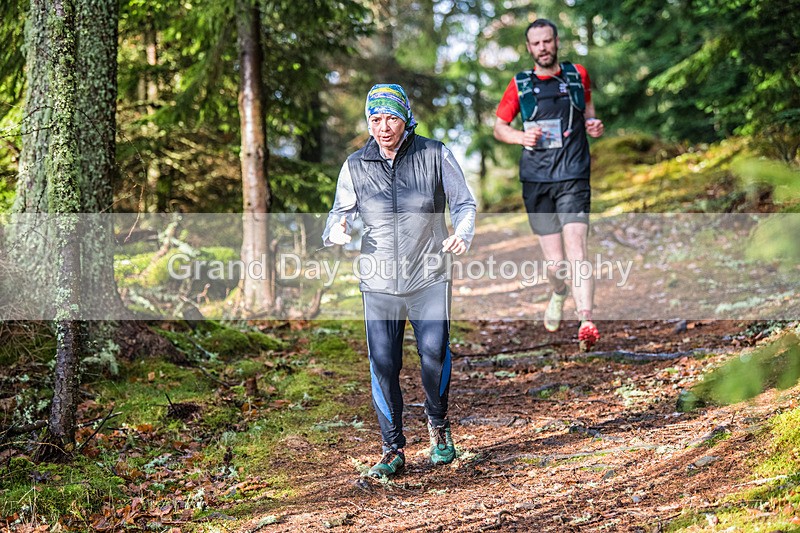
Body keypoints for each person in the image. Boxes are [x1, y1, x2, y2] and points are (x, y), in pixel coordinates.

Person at [323, 84, 477, 479]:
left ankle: (438, 429)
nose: (383, 126)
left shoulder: (435, 153)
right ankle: (392, 449)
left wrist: (463, 231)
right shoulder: (355, 165)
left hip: (429, 274)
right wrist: (336, 231)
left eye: (391, 117)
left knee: (434, 353)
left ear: (405, 117)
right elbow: (337, 214)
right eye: (375, 119)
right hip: (378, 281)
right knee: (384, 363)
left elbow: (463, 203)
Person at [493, 18, 604, 351]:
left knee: (578, 251)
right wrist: (520, 136)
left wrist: (593, 124)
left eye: (547, 41)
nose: (543, 48)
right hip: (537, 179)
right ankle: (558, 291)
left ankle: (586, 322)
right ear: (529, 48)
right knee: (556, 265)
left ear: (557, 42)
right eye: (536, 43)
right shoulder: (521, 85)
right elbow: (499, 127)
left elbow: (587, 112)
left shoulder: (576, 75)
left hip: (573, 175)